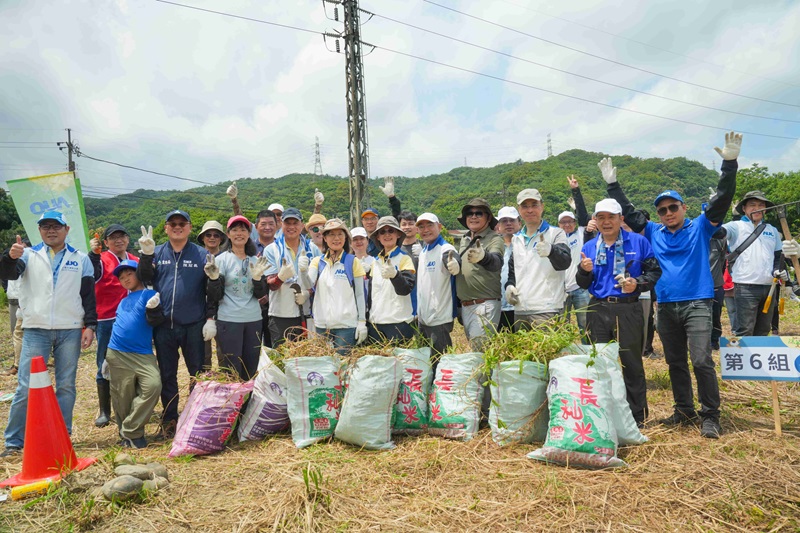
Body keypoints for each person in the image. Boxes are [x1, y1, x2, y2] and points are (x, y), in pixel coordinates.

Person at [603, 131, 743, 439]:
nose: (668, 213)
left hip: (698, 303)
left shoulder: (701, 227)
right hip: (665, 305)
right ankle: (684, 410)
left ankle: (711, 415)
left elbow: (721, 200)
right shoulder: (654, 231)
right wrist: (612, 186)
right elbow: (630, 214)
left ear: (683, 207)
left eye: (672, 207)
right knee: (675, 361)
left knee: (702, 360)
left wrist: (729, 165)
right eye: (662, 210)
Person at [0, 211, 96, 457]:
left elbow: (88, 295)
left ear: (66, 229)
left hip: (70, 329)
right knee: (25, 386)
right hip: (36, 329)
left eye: (56, 226)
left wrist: (90, 325)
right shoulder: (28, 255)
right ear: (39, 230)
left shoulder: (81, 258)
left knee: (66, 385)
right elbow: (8, 273)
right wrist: (9, 257)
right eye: (45, 226)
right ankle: (14, 441)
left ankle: (61, 436)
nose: (51, 230)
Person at [576, 199, 662, 427]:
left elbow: (654, 272)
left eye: (611, 217)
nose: (606, 222)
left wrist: (637, 283)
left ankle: (637, 416)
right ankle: (603, 413)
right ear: (595, 220)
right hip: (597, 308)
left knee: (631, 363)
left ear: (620, 219)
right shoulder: (590, 246)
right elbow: (583, 283)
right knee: (599, 363)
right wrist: (583, 271)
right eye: (601, 217)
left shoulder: (639, 242)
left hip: (628, 308)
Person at [137, 209, 211, 439]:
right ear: (166, 228)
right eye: (173, 224)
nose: (177, 227)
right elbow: (144, 278)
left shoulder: (202, 254)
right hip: (164, 325)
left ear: (190, 227)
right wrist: (146, 256)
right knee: (167, 375)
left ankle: (195, 416)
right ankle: (170, 419)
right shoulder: (157, 251)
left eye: (182, 223)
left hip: (193, 324)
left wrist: (211, 318)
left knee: (197, 373)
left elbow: (211, 290)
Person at [105, 260, 165, 449]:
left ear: (139, 274)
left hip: (143, 353)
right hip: (117, 352)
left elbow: (156, 317)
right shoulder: (123, 301)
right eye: (121, 277)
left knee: (153, 385)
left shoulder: (149, 294)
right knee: (122, 396)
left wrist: (154, 307)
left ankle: (130, 429)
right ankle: (130, 437)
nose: (125, 279)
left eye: (129, 274)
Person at [204, 216, 269, 380]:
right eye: (235, 230)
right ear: (228, 234)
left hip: (253, 319)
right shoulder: (221, 260)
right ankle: (233, 397)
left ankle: (248, 397)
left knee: (251, 367)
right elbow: (215, 296)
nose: (239, 233)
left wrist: (257, 279)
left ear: (249, 234)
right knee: (231, 368)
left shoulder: (256, 260)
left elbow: (261, 294)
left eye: (243, 230)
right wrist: (213, 279)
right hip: (229, 320)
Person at [88, 224, 139, 428]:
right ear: (106, 242)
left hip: (133, 318)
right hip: (107, 319)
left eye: (122, 236)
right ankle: (104, 410)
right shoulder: (100, 260)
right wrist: (93, 255)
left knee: (133, 361)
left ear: (128, 239)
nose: (119, 240)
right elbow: (92, 275)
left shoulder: (135, 259)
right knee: (104, 362)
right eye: (113, 237)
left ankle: (132, 404)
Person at [504, 189, 571, 329]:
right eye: (525, 206)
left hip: (547, 309)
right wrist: (509, 286)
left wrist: (552, 250)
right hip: (520, 309)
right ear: (519, 210)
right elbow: (513, 271)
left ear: (542, 207)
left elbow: (565, 262)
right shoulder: (517, 239)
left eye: (534, 205)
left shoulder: (555, 233)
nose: (530, 210)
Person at [722, 191, 785, 337]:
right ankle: (743, 353)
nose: (757, 208)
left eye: (761, 205)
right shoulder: (735, 226)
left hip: (769, 287)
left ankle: (759, 353)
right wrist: (717, 210)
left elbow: (778, 256)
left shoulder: (772, 230)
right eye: (752, 205)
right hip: (745, 287)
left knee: (763, 330)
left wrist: (778, 270)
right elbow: (719, 232)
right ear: (744, 208)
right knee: (745, 330)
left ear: (765, 209)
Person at [304, 218, 368, 352]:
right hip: (321, 325)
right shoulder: (318, 261)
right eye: (331, 234)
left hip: (346, 326)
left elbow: (360, 294)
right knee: (323, 362)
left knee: (343, 362)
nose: (336, 238)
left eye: (340, 234)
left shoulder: (352, 261)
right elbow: (309, 284)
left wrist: (362, 322)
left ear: (345, 238)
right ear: (325, 238)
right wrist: (303, 271)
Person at [264, 208, 321, 346]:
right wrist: (280, 278)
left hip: (307, 313)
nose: (291, 227)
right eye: (287, 223)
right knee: (282, 355)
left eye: (295, 223)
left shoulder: (312, 249)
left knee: (307, 354)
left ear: (302, 226)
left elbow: (319, 281)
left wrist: (307, 293)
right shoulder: (272, 249)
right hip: (280, 314)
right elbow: (270, 284)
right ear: (281, 224)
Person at [455, 198, 505, 350]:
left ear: (488, 218)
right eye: (469, 213)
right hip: (466, 306)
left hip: (484, 304)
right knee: (476, 351)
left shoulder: (494, 239)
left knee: (480, 351)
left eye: (479, 213)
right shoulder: (464, 239)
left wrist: (484, 257)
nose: (473, 216)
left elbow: (496, 262)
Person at [415, 213, 460, 357]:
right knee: (424, 361)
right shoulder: (424, 251)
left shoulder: (445, 248)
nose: (425, 230)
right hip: (423, 318)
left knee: (440, 361)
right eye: (421, 227)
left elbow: (451, 258)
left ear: (439, 227)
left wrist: (455, 263)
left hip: (439, 318)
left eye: (430, 225)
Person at [367, 216, 416, 342]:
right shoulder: (375, 262)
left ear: (398, 234)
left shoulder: (404, 259)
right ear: (378, 237)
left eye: (391, 231)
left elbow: (405, 289)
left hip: (398, 322)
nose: (387, 234)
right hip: (376, 322)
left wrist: (395, 276)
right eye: (382, 232)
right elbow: (371, 294)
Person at [560, 175, 592, 338]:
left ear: (574, 222)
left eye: (570, 221)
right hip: (561, 290)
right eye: (563, 222)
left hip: (580, 288)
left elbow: (583, 215)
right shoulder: (555, 237)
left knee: (585, 325)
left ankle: (588, 351)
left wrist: (575, 190)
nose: (567, 224)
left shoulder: (580, 233)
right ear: (559, 224)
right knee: (561, 327)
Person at [197, 220, 226, 369]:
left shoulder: (227, 257)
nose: (212, 238)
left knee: (224, 352)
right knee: (203, 354)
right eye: (208, 235)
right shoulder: (196, 257)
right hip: (200, 309)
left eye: (216, 235)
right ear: (203, 237)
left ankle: (227, 381)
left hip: (223, 309)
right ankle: (205, 382)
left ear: (221, 238)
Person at [362, 177, 402, 257]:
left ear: (379, 220)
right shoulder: (360, 240)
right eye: (366, 219)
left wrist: (392, 198)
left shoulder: (384, 239)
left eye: (373, 218)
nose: (369, 222)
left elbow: (396, 217)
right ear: (362, 221)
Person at [497, 206, 521, 332]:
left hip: (521, 305)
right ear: (498, 226)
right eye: (504, 221)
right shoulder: (493, 247)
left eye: (512, 220)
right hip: (499, 305)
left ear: (519, 223)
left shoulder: (525, 245)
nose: (508, 224)